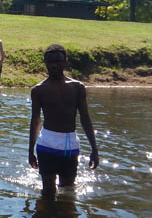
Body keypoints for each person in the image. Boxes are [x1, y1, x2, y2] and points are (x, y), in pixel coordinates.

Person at [28, 44, 99, 199]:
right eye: (51, 62)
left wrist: (94, 149)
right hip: (46, 145)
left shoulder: (77, 88)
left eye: (59, 61)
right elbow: (36, 120)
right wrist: (30, 150)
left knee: (67, 192)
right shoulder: (38, 90)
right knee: (48, 192)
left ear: (65, 61)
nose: (55, 65)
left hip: (70, 145)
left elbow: (85, 118)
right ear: (45, 63)